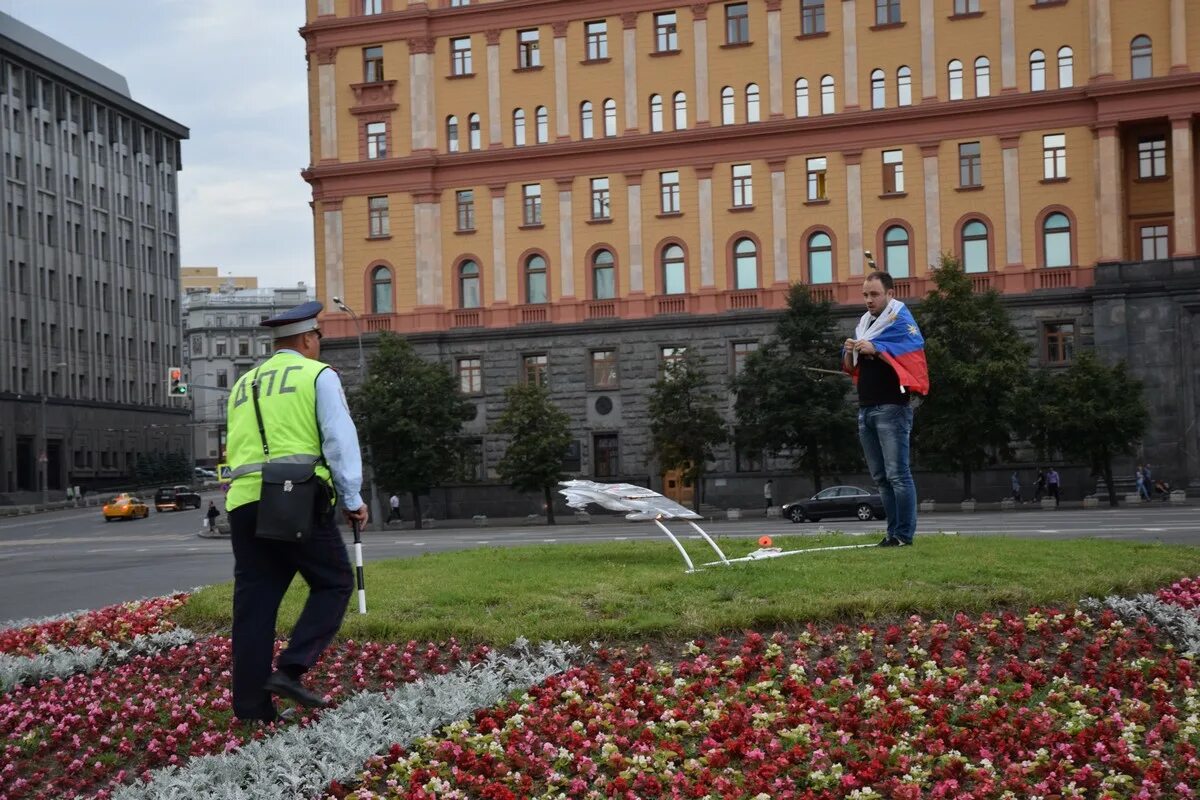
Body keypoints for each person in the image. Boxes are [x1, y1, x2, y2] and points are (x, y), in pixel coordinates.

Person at [224, 301, 368, 724]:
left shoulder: (243, 384)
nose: (318, 344)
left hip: (244, 503)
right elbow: (339, 440)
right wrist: (352, 499)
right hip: (297, 498)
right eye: (318, 337)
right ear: (308, 339)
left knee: (255, 606)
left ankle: (252, 710)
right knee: (334, 582)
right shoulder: (318, 375)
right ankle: (290, 670)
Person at [842, 271, 929, 548]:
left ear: (890, 294)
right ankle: (892, 534)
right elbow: (851, 367)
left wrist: (876, 349)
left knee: (898, 475)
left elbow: (913, 352)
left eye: (874, 294)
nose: (868, 300)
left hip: (892, 408)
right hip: (866, 409)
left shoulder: (900, 322)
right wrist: (849, 350)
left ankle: (904, 535)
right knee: (881, 478)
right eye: (865, 295)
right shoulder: (865, 325)